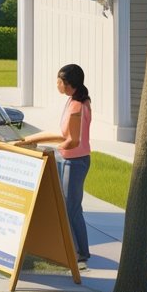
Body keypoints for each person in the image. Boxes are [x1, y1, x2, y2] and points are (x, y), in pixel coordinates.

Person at [16, 64, 93, 268]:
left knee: (71, 209)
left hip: (74, 162)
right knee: (71, 208)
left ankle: (79, 253)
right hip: (71, 160)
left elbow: (72, 141)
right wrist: (29, 139)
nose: (57, 84)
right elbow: (62, 134)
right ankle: (78, 251)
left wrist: (53, 151)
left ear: (68, 84)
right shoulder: (74, 101)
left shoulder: (77, 107)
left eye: (59, 81)